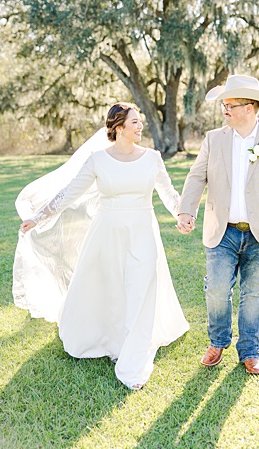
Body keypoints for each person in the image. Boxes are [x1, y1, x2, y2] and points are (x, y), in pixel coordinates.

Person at [17, 103, 189, 391]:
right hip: (107, 233)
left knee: (141, 285)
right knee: (110, 286)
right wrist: (38, 217)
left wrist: (183, 215)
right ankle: (109, 336)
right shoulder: (98, 160)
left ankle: (133, 353)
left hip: (143, 232)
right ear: (119, 128)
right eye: (135, 122)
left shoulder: (153, 158)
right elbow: (69, 193)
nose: (140, 126)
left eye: (140, 122)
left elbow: (169, 194)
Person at [177, 74, 259, 376]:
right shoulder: (213, 139)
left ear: (250, 107)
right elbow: (196, 176)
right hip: (222, 231)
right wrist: (186, 210)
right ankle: (217, 342)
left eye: (230, 105)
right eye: (224, 105)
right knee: (217, 290)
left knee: (254, 295)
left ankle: (249, 351)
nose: (225, 110)